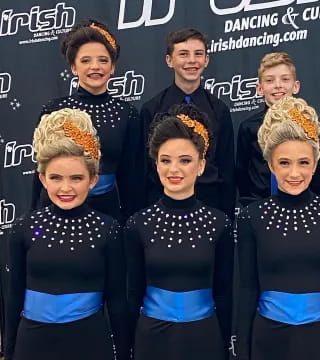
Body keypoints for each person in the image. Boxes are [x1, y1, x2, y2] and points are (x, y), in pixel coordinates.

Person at [5, 109, 129, 360]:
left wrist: (125, 354)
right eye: (56, 177)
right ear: (42, 178)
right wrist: (8, 351)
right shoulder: (24, 229)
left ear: (93, 179)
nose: (65, 188)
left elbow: (116, 301)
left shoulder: (108, 230)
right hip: (32, 345)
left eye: (76, 178)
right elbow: (13, 295)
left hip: (90, 343)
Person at [236, 97, 320, 360]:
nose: (294, 173)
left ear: (316, 161)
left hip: (319, 338)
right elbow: (247, 288)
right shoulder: (252, 217)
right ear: (271, 164)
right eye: (285, 163)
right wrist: (242, 352)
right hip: (268, 338)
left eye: (303, 162)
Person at [125, 103, 233, 360]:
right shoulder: (138, 225)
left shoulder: (219, 224)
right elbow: (132, 294)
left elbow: (225, 293)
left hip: (204, 338)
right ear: (155, 164)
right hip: (151, 339)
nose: (174, 170)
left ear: (201, 165)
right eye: (166, 160)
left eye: (185, 160)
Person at [31, 19, 143, 221]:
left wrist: (131, 227)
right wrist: (33, 220)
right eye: (85, 61)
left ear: (113, 67)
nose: (95, 67)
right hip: (55, 210)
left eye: (103, 60)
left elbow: (132, 180)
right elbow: (39, 171)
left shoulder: (127, 114)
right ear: (73, 67)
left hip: (105, 212)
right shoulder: (54, 110)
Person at [141, 28, 235, 217]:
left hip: (210, 203)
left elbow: (227, 170)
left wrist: (227, 217)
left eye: (198, 54)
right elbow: (143, 169)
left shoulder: (219, 110)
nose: (192, 61)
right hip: (162, 202)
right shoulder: (152, 109)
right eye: (183, 54)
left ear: (206, 60)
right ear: (169, 60)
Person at [236, 52, 320, 205]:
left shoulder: (308, 124)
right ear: (259, 88)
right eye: (270, 80)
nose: (278, 85)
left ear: (295, 86)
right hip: (259, 205)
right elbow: (241, 172)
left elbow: (317, 173)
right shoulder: (248, 127)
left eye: (285, 79)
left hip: (301, 204)